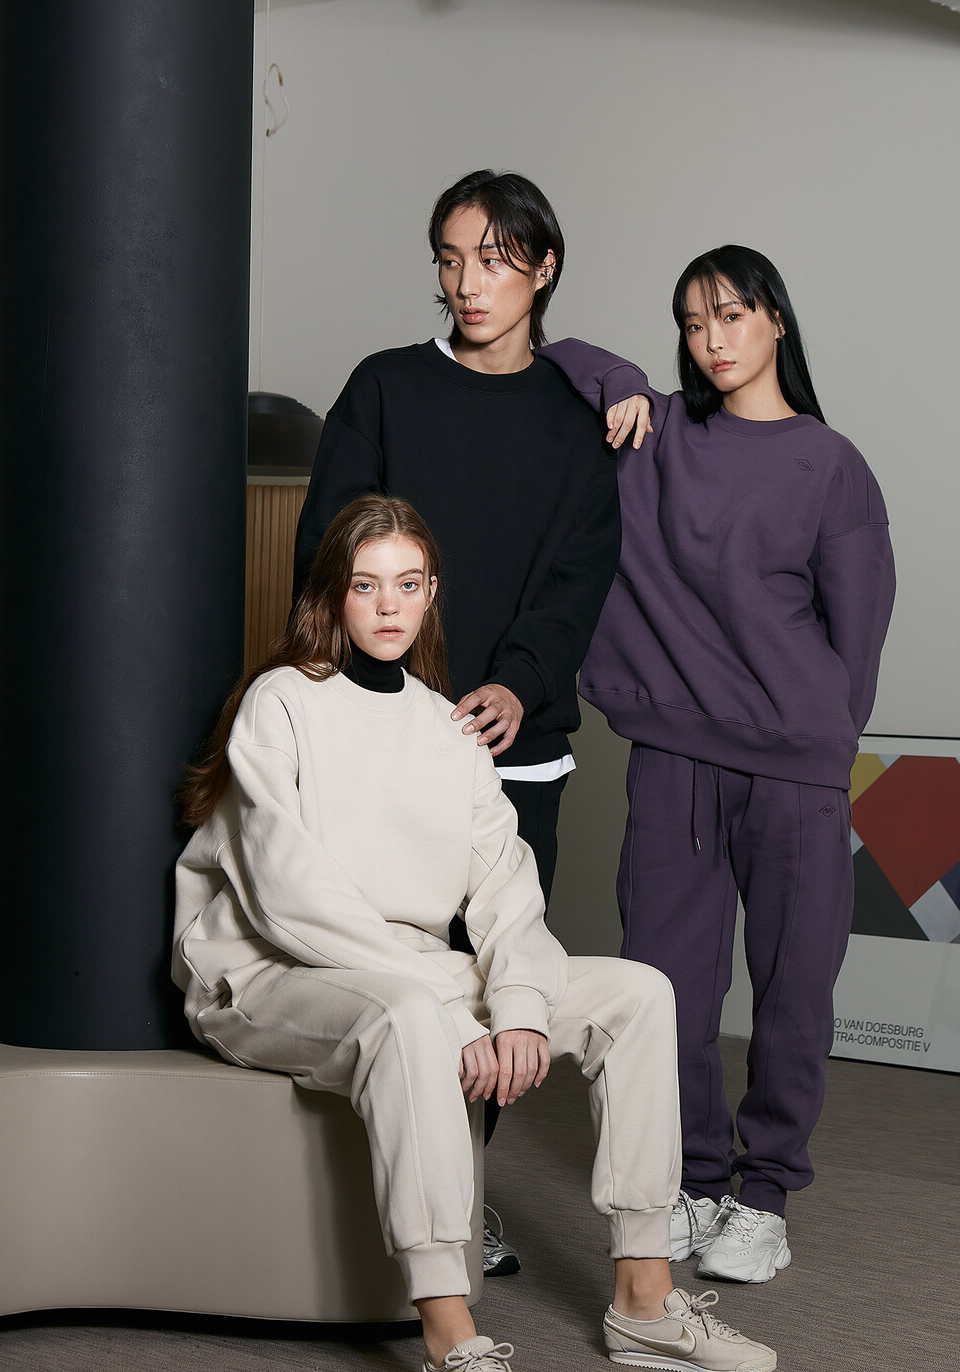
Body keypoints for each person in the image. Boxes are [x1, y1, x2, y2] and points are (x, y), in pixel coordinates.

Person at [173, 495, 777, 1372]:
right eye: (365, 585)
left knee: (638, 993)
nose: (387, 606)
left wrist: (521, 1010)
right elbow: (290, 896)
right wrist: (458, 1017)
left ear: (430, 595)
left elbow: (507, 891)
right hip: (264, 969)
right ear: (332, 594)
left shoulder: (446, 728)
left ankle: (645, 1298)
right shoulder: (283, 701)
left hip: (404, 969)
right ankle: (450, 1337)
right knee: (413, 1014)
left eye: (407, 585)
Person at [542, 246, 895, 1284]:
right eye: (692, 324)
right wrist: (619, 381)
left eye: (732, 315)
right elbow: (553, 352)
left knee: (793, 988)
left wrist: (813, 739)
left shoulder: (830, 464)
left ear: (776, 319)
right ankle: (694, 1179)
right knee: (666, 986)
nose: (711, 340)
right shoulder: (654, 434)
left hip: (795, 768)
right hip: (672, 761)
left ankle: (765, 1192)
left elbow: (859, 634)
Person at [293, 168, 622, 1272]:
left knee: (494, 985)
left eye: (493, 259)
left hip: (512, 757)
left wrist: (518, 684)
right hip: (379, 742)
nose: (467, 283)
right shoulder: (385, 388)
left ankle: (459, 1192)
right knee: (387, 980)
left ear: (544, 267)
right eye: (449, 259)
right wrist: (378, 703)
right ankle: (378, 1203)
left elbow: (577, 582)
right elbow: (331, 554)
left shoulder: (576, 427)